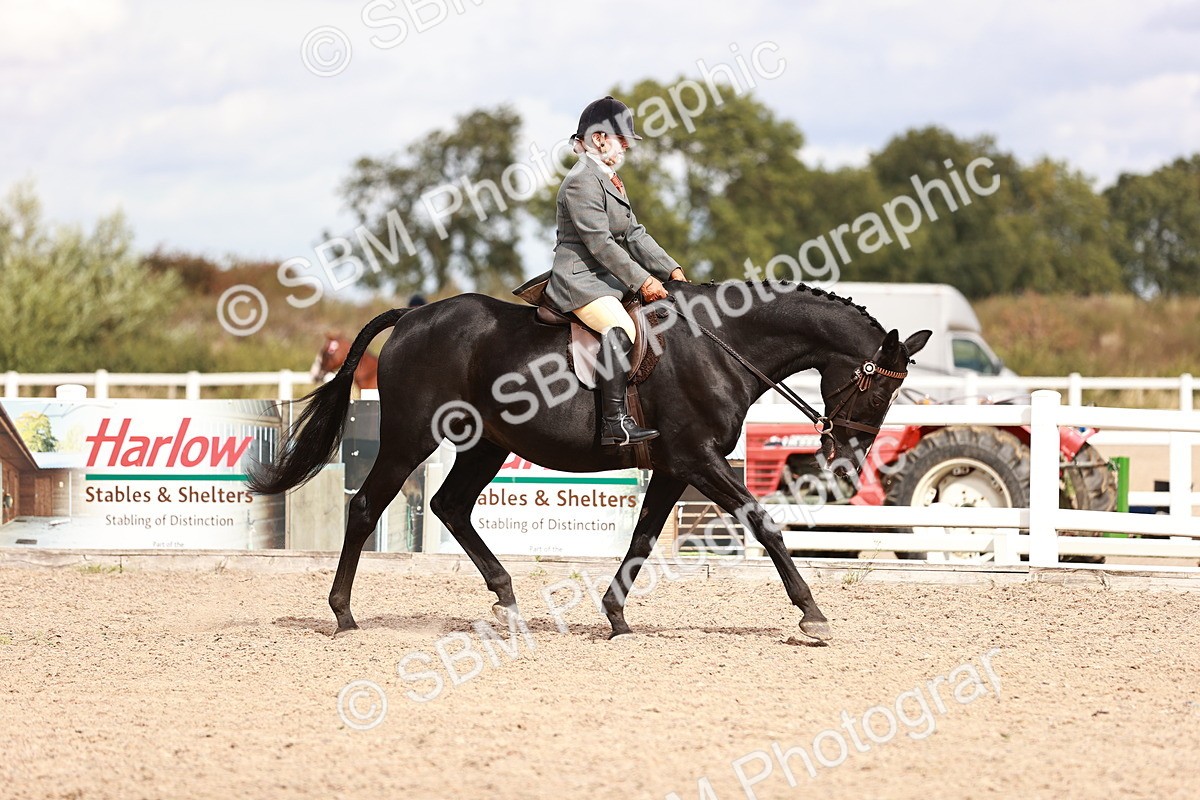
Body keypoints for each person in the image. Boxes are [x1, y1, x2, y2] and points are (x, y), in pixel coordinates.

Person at [543, 96, 688, 447]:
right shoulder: (581, 181)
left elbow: (634, 234)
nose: (626, 145)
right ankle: (614, 422)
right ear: (598, 138)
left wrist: (671, 269)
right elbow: (601, 244)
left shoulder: (608, 179)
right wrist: (644, 280)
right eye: (621, 138)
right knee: (621, 327)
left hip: (604, 279)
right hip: (579, 280)